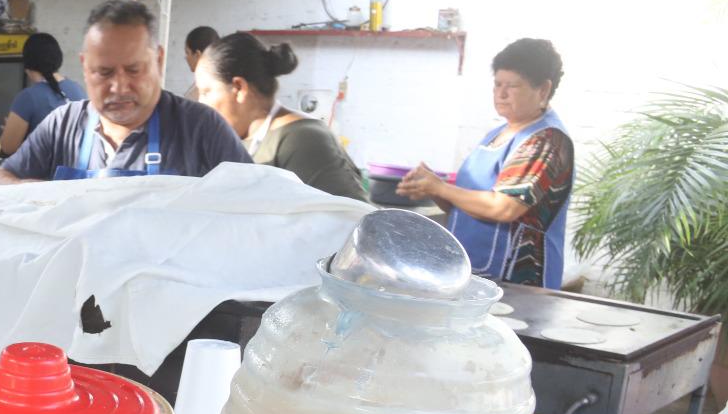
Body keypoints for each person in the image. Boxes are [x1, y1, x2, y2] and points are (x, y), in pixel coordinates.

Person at [0, 0, 249, 184]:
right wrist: (35, 192)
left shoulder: (201, 127)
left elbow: (263, 203)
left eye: (134, 70)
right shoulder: (62, 125)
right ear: (85, 67)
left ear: (158, 60)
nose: (119, 87)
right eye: (104, 72)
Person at [398, 38, 573, 288]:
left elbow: (504, 208)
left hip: (518, 282)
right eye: (497, 84)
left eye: (512, 86)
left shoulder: (546, 141)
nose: (500, 94)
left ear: (543, 90)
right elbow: (465, 207)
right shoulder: (498, 134)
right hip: (476, 274)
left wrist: (440, 188)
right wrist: (430, 187)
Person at [194, 32, 368, 201]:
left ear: (239, 88)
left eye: (206, 92)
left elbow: (353, 218)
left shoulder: (302, 139)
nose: (200, 104)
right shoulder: (236, 141)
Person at [0, 33, 87, 155]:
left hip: (41, 173)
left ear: (27, 65)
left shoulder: (27, 97)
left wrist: (13, 132)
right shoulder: (78, 90)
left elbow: (8, 148)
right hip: (75, 172)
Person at [182, 25, 219, 99]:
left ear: (198, 55)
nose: (186, 58)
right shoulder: (222, 81)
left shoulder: (203, 89)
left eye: (187, 52)